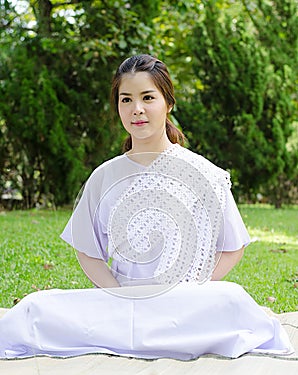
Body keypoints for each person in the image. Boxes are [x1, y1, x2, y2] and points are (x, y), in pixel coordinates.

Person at [0, 54, 293, 359]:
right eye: (126, 100)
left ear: (168, 103)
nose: (136, 109)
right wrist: (119, 296)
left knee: (233, 300)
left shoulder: (205, 174)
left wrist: (192, 290)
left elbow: (232, 247)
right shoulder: (104, 177)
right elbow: (87, 249)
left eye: (147, 97)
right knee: (34, 309)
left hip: (186, 307)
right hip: (121, 303)